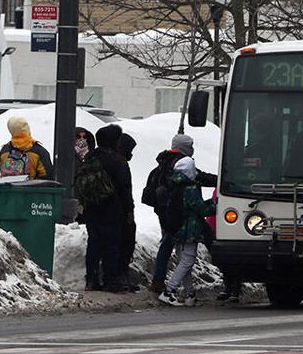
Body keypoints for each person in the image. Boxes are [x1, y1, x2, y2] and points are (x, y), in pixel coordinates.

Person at [143, 133, 216, 293]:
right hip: (184, 215)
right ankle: (230, 276)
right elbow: (202, 178)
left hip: (165, 213)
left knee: (168, 244)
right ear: (185, 148)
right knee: (206, 239)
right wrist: (222, 181)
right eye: (190, 146)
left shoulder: (161, 166)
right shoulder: (184, 165)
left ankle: (160, 282)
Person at [78, 124, 133, 292]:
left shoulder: (90, 157)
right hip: (112, 209)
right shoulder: (118, 161)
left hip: (92, 207)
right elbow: (125, 189)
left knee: (94, 244)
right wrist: (129, 210)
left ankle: (92, 279)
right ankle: (111, 281)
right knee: (111, 245)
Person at [158, 156, 216, 307]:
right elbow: (200, 209)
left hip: (176, 228)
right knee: (187, 261)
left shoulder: (175, 183)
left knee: (184, 262)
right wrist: (215, 205)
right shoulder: (190, 187)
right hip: (188, 230)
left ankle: (190, 294)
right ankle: (169, 292)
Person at [116, 132, 139, 289]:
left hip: (112, 210)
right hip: (120, 210)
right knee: (124, 243)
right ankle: (121, 276)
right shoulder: (121, 164)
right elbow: (125, 190)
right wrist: (130, 210)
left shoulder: (113, 161)